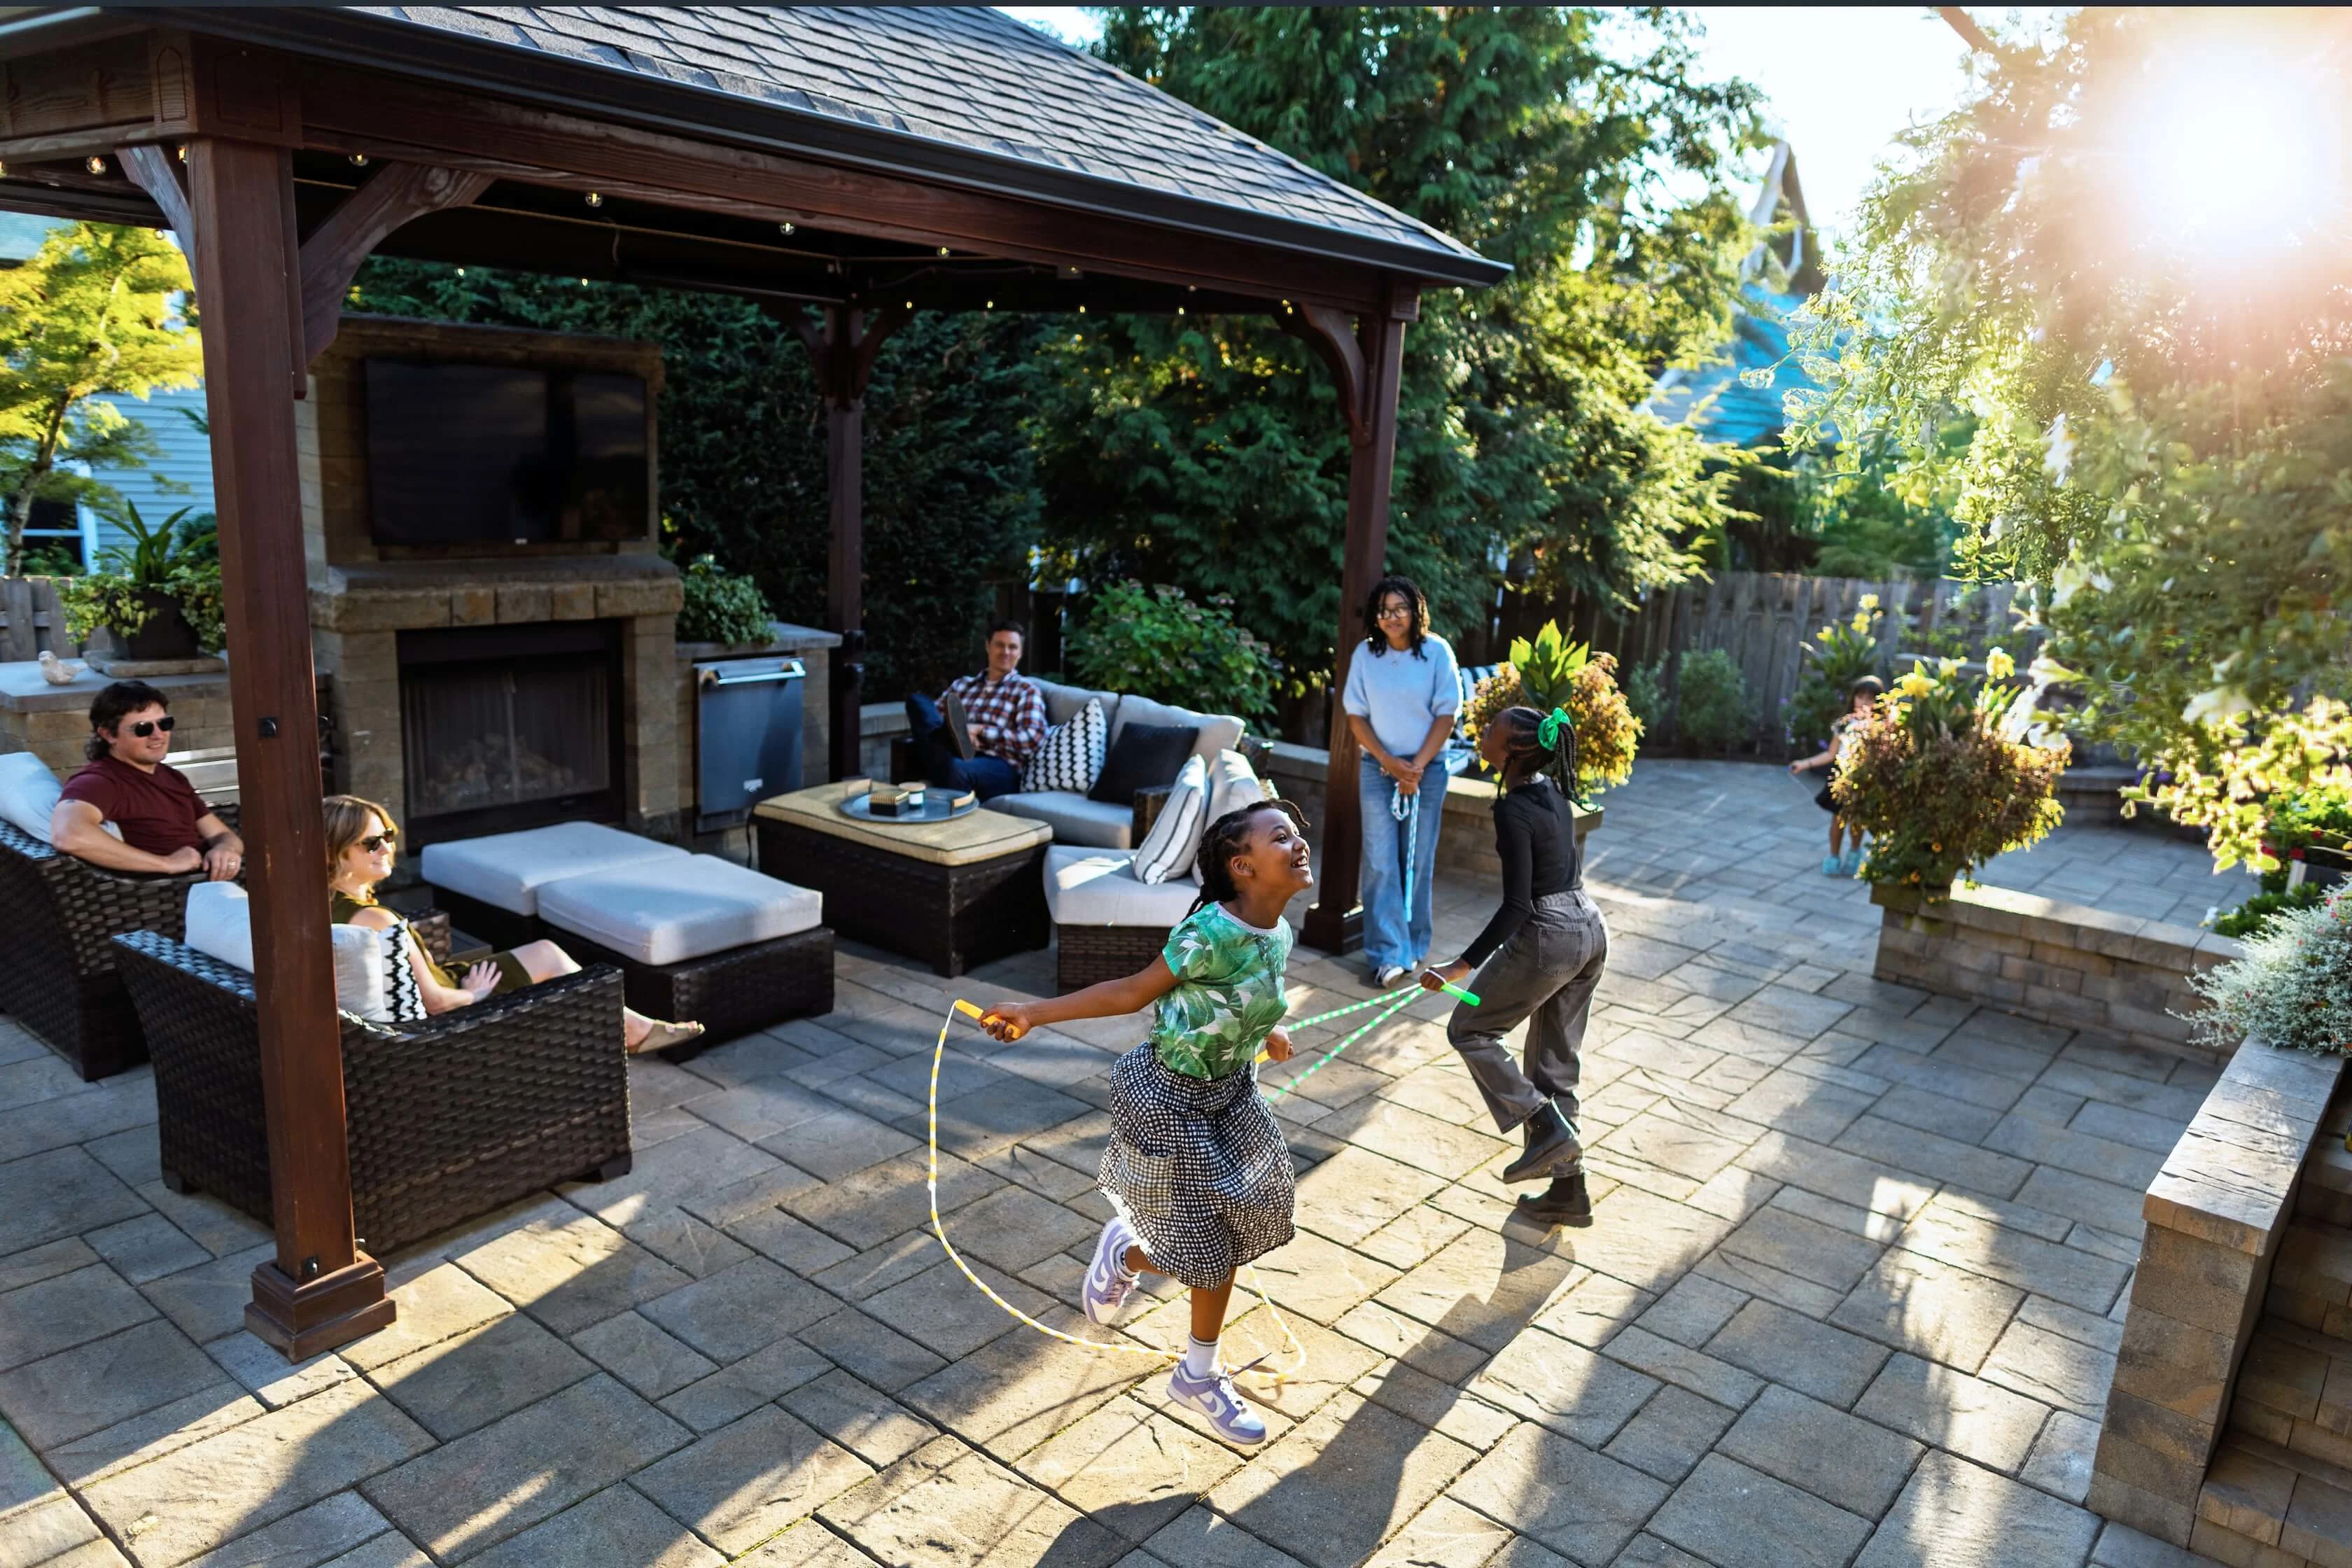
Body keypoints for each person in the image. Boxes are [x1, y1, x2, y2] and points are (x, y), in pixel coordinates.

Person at [976, 799, 1312, 1448]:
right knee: (1209, 1247)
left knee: (1257, 1208)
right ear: (1242, 867)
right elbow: (1131, 993)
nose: (1298, 844)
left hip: (1230, 1093)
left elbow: (1241, 997)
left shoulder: (1279, 932)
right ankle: (1198, 1371)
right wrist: (1032, 1011)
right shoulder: (1208, 933)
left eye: (1298, 834)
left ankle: (1127, 1253)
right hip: (1167, 1097)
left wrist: (1267, 1033)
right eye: (1280, 837)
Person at [322, 794, 704, 1054]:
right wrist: (475, 994)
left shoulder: (326, 905)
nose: (387, 848)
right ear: (337, 853)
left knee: (546, 953)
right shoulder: (375, 918)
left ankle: (627, 1029)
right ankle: (633, 1032)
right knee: (551, 961)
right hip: (452, 1008)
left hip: (440, 988)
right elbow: (436, 1003)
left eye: (387, 836)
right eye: (371, 844)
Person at [1420, 704, 1607, 1230]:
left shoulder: (1512, 808)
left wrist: (1461, 966)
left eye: (1490, 731)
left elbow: (1518, 906)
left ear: (1511, 749)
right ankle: (1569, 1191)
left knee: (1471, 1029)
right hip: (1591, 927)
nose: (1481, 735)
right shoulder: (1550, 789)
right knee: (1554, 1062)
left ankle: (1546, 1126)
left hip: (1552, 933)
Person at [1343, 575, 1460, 989]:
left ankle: (1412, 946)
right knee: (1379, 861)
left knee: (1416, 860)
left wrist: (1415, 769)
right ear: (1376, 616)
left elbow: (1447, 714)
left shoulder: (1436, 653)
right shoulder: (1365, 656)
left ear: (1415, 611)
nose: (1392, 617)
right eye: (1384, 610)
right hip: (1378, 769)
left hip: (1427, 772)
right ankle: (1386, 953)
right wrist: (1391, 763)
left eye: (1400, 609)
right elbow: (1356, 717)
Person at [50, 680, 243, 881]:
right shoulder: (100, 782)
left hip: (210, 880)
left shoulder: (171, 776)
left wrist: (225, 849)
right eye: (143, 729)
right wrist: (166, 864)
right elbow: (68, 835)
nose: (158, 735)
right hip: (170, 894)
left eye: (165, 723)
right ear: (108, 735)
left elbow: (222, 834)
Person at [904, 620, 1048, 802]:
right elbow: (933, 722)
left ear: (1020, 653)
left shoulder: (1026, 690)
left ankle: (958, 744)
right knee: (918, 702)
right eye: (1000, 645)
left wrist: (981, 731)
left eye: (1013, 647)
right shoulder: (963, 684)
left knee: (956, 767)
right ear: (988, 646)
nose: (1006, 652)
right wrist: (953, 734)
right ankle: (957, 740)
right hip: (951, 754)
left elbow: (1033, 740)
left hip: (999, 765)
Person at [1790, 676, 1885, 876]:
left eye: (1870, 698)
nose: (1864, 703)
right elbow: (1830, 754)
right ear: (1853, 699)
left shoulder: (1881, 728)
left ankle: (1854, 854)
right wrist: (1804, 764)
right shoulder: (1844, 725)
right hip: (1843, 778)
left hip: (1865, 780)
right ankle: (1833, 857)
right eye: (1860, 697)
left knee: (1858, 822)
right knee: (1838, 820)